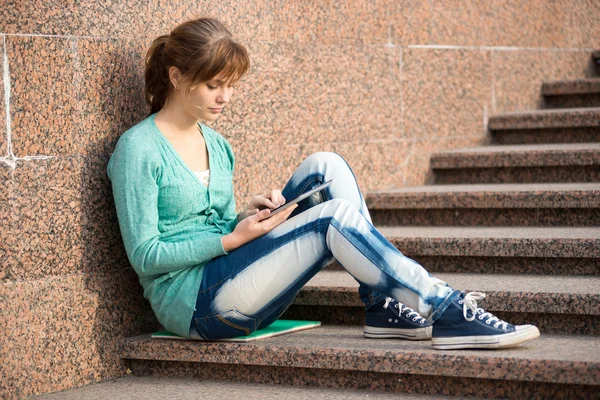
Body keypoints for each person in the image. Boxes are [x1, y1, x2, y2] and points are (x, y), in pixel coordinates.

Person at [107, 17, 540, 350]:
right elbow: (145, 256)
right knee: (329, 220)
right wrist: (229, 242)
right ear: (176, 76)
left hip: (235, 276)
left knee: (325, 165)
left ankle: (380, 306)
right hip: (197, 306)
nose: (225, 98)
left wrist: (247, 217)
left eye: (230, 86)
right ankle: (443, 306)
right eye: (213, 86)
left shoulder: (216, 144)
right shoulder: (138, 150)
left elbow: (219, 223)